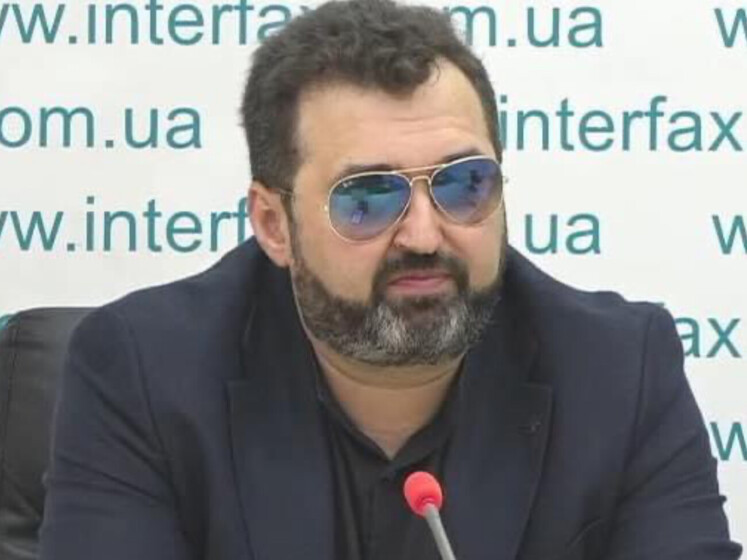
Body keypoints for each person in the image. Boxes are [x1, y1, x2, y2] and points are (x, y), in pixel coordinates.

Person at [39, 0, 742, 558]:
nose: (424, 236)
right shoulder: (143, 372)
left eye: (464, 185)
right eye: (367, 199)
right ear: (274, 224)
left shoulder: (618, 371)